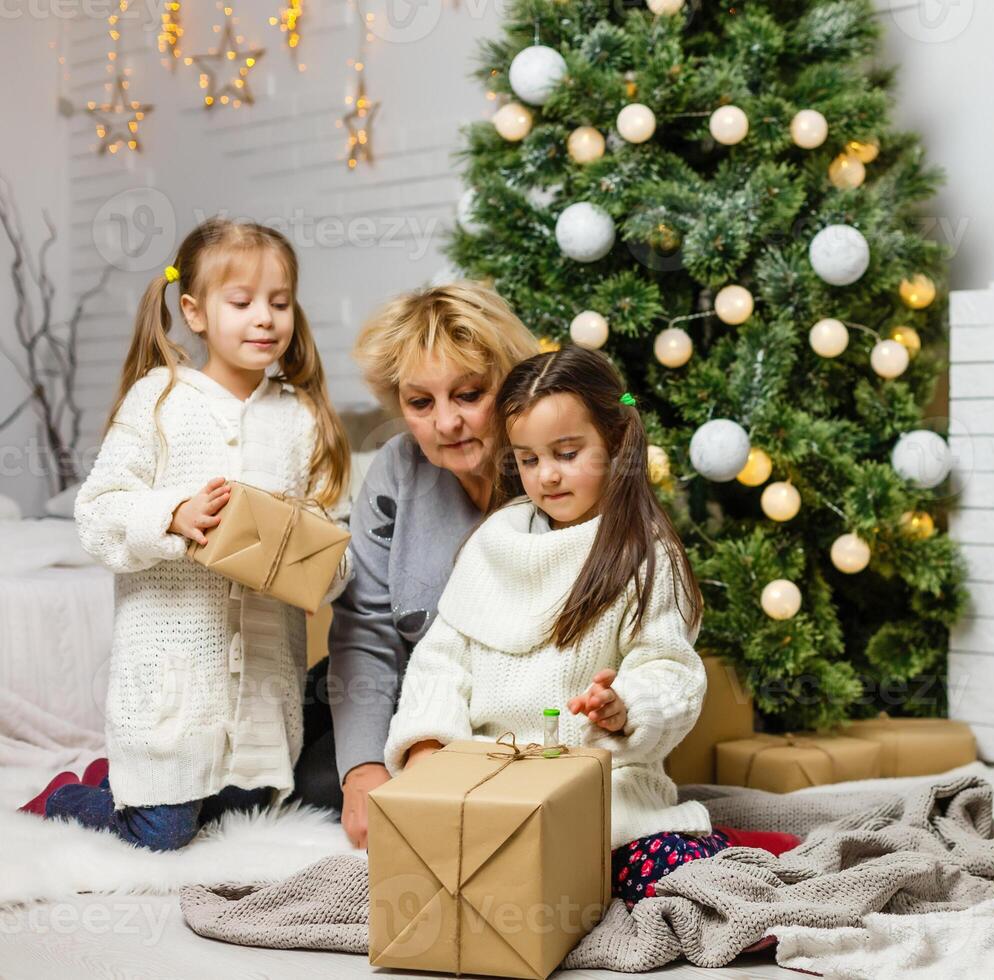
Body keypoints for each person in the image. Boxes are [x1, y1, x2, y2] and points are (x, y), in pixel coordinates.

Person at [383, 345, 796, 907]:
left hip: (603, 795)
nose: (546, 476)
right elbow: (440, 658)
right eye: (528, 460)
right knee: (435, 887)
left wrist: (625, 707)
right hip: (493, 791)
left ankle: (730, 850)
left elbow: (669, 671)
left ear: (617, 444)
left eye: (568, 453)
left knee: (671, 885)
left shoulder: (645, 557)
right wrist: (428, 746)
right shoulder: (494, 543)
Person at [38, 217, 350, 851]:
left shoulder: (300, 417)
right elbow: (97, 514)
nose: (264, 318)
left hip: (264, 687)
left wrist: (310, 555)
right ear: (194, 311)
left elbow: (334, 543)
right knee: (162, 834)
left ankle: (128, 786)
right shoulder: (160, 400)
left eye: (280, 302)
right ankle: (71, 795)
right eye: (242, 303)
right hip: (174, 680)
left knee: (246, 809)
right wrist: (172, 516)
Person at [292, 281, 538, 848]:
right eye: (420, 403)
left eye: (469, 394)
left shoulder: (550, 469)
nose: (445, 424)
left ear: (509, 385)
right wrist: (362, 773)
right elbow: (366, 633)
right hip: (400, 697)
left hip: (509, 721)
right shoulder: (397, 470)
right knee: (305, 776)